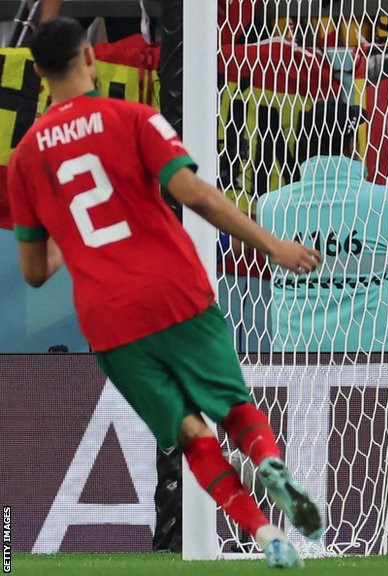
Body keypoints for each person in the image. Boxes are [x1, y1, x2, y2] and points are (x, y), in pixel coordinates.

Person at [8, 18, 323, 569]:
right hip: (174, 290)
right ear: (90, 58)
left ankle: (264, 533)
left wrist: (66, 231)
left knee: (189, 434)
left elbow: (34, 271)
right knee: (233, 409)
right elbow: (194, 193)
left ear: (36, 73)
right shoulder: (133, 117)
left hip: (108, 318)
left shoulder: (26, 158)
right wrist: (271, 244)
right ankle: (270, 464)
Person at [258, 100, 388, 353]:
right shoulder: (386, 201)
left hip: (294, 359)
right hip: (376, 361)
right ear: (351, 144)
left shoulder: (271, 205)